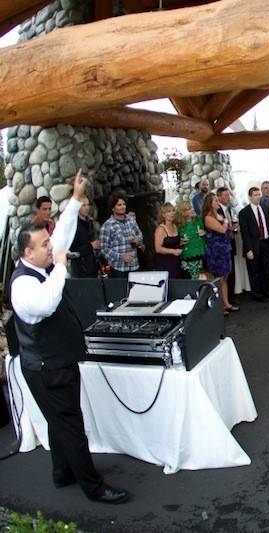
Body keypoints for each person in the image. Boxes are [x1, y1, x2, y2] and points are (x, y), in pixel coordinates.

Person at [9, 170, 129, 504]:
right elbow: (46, 305)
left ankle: (62, 472)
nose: (51, 248)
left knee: (59, 422)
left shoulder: (41, 263)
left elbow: (61, 233)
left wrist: (76, 198)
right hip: (48, 368)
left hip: (54, 362)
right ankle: (94, 487)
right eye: (44, 246)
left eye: (48, 244)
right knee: (71, 425)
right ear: (27, 253)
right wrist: (61, 266)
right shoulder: (23, 284)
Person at [202, 193, 237, 314]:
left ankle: (226, 303)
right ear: (209, 203)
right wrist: (227, 222)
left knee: (225, 278)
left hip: (225, 249)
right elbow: (222, 230)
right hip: (216, 251)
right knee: (219, 278)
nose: (218, 202)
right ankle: (219, 306)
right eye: (215, 200)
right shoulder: (208, 218)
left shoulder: (219, 215)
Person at [239, 187, 269, 301]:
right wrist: (248, 249)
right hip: (253, 246)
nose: (258, 196)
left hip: (266, 243)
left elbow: (268, 226)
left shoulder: (264, 208)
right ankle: (257, 294)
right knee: (255, 271)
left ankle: (267, 292)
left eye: (259, 194)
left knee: (266, 269)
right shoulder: (244, 212)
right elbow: (245, 233)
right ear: (249, 197)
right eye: (255, 195)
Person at [99, 191, 143, 278]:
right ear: (113, 208)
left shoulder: (131, 221)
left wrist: (138, 240)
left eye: (124, 204)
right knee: (120, 292)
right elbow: (104, 249)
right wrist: (121, 257)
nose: (123, 207)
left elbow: (140, 235)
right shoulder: (107, 226)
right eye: (119, 205)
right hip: (118, 270)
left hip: (134, 266)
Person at [68, 197, 99, 278]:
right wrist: (91, 246)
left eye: (87, 205)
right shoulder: (73, 226)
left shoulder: (90, 223)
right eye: (83, 205)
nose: (87, 207)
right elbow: (72, 252)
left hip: (92, 268)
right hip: (80, 271)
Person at [175, 201, 205, 279]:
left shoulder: (198, 220)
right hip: (187, 257)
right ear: (183, 212)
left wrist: (204, 233)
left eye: (191, 207)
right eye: (189, 209)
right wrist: (180, 242)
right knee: (190, 282)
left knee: (200, 282)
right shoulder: (178, 225)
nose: (192, 209)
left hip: (200, 255)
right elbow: (175, 241)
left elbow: (206, 233)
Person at [153, 202, 183, 278]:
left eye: (173, 210)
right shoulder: (161, 229)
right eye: (169, 211)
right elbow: (158, 249)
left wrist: (181, 242)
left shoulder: (174, 226)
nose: (172, 213)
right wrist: (173, 251)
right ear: (163, 215)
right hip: (165, 264)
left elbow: (173, 243)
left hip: (176, 262)